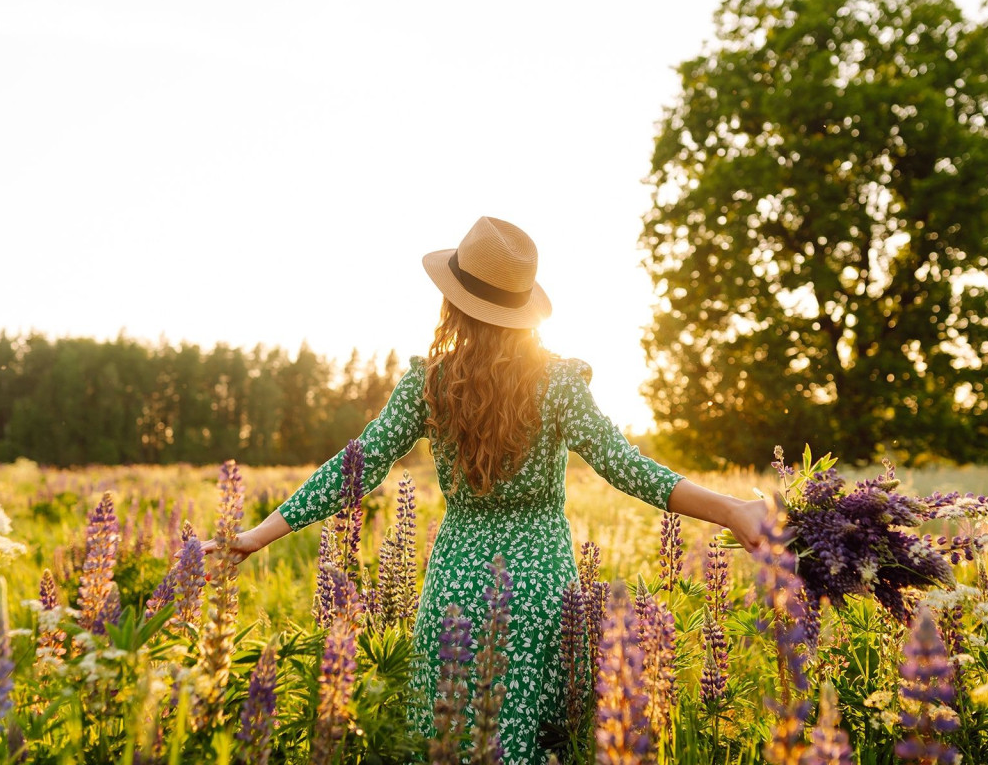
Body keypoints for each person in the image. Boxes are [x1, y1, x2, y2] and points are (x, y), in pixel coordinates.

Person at [203, 216, 770, 763]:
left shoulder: (431, 383)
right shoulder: (557, 383)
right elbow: (630, 469)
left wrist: (254, 536)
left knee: (448, 745)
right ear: (522, 309)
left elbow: (353, 467)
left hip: (454, 590)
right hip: (539, 596)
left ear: (453, 303)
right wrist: (733, 509)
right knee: (533, 747)